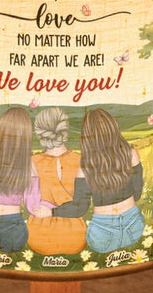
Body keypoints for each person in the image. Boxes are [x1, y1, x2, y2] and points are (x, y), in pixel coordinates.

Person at [52, 107, 145, 254]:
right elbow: (137, 193)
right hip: (135, 228)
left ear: (87, 137)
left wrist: (51, 211)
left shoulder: (85, 168)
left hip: (102, 236)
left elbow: (80, 208)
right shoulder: (131, 154)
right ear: (113, 128)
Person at [0, 106, 50, 255]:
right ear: (26, 135)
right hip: (12, 234)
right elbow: (33, 206)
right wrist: (54, 207)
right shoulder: (29, 165)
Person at [26, 107, 87, 256]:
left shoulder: (32, 162)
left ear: (39, 134)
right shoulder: (81, 161)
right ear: (65, 130)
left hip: (38, 238)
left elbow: (30, 205)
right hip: (76, 238)